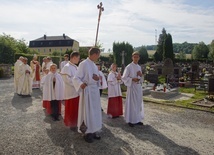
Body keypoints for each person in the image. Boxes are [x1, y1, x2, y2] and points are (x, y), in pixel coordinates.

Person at [73, 47, 102, 143]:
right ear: (95, 54)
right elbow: (76, 77)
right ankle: (87, 133)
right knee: (87, 112)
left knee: (94, 112)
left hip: (94, 92)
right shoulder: (83, 64)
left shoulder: (94, 65)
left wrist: (97, 79)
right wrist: (81, 84)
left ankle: (93, 130)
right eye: (98, 54)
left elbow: (96, 77)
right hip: (87, 91)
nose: (98, 57)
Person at [122, 52, 144, 127]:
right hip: (132, 87)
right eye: (134, 57)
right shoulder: (129, 67)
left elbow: (141, 78)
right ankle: (130, 120)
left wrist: (140, 76)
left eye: (137, 57)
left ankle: (137, 119)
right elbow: (124, 77)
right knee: (131, 104)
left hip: (138, 88)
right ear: (132, 58)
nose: (136, 58)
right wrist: (132, 79)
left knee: (138, 104)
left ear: (139, 58)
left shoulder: (139, 67)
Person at [61, 51, 80, 129]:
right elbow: (66, 80)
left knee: (76, 108)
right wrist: (77, 84)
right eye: (78, 58)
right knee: (71, 108)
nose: (78, 60)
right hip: (71, 91)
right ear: (74, 57)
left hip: (77, 91)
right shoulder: (67, 67)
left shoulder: (75, 67)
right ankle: (71, 123)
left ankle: (75, 122)